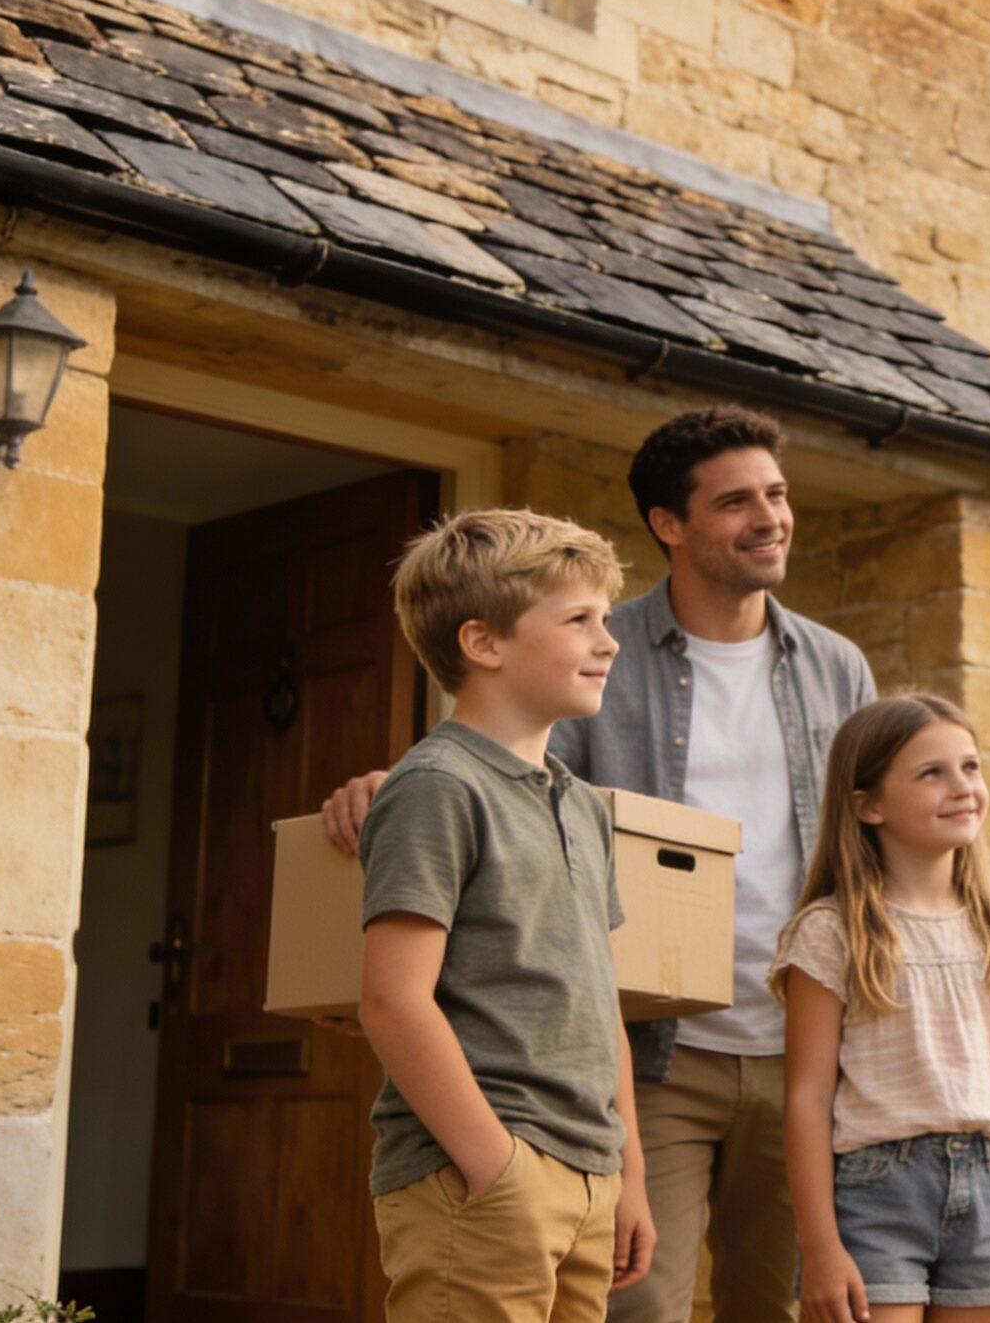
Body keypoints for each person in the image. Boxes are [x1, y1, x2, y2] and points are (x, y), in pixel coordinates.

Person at [327, 406, 876, 1323]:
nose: (770, 517)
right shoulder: (573, 673)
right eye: (737, 500)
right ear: (671, 522)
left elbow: (877, 839)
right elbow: (482, 792)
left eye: (777, 494)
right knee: (645, 1311)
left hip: (797, 1049)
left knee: (775, 1306)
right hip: (650, 1063)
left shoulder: (836, 667)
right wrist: (501, 1166)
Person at [357, 507, 654, 1323]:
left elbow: (602, 1002)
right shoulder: (438, 787)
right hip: (482, 1175)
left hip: (589, 1175)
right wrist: (498, 1168)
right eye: (579, 619)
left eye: (606, 616)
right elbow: (392, 999)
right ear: (484, 644)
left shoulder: (583, 805)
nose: (610, 639)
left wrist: (624, 1172)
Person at [772, 693, 990, 1323]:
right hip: (875, 1196)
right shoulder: (831, 933)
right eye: (932, 773)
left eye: (971, 767)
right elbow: (806, 1097)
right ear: (868, 805)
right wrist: (820, 1247)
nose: (962, 787)